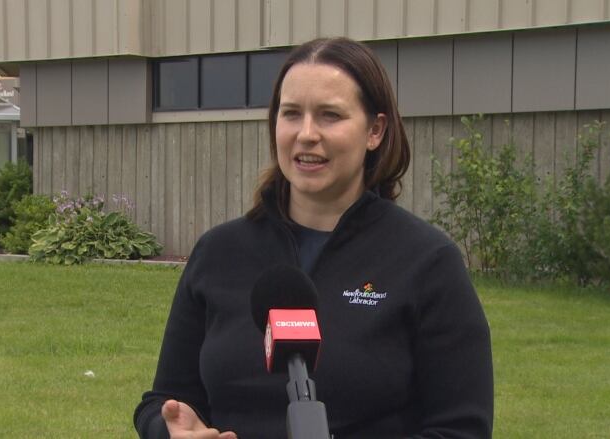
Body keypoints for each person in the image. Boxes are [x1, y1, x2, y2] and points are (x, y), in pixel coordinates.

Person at [134, 37, 493, 439]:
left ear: (375, 130)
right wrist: (167, 429)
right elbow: (163, 399)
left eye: (329, 116)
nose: (306, 133)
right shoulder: (218, 253)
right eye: (291, 114)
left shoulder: (427, 262)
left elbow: (462, 429)